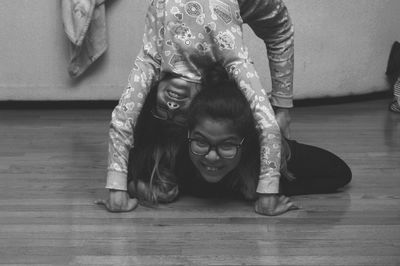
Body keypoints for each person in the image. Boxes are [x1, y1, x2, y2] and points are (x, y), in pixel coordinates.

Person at [104, 0, 295, 213]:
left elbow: (123, 117)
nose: (172, 103)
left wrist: (282, 103)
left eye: (169, 112)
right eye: (172, 113)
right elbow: (123, 118)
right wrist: (268, 195)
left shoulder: (224, 54)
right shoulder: (156, 52)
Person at [117, 66, 352, 215]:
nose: (211, 156)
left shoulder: (260, 157)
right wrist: (139, 187)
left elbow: (339, 172)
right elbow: (129, 163)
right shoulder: (176, 152)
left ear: (246, 142)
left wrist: (269, 189)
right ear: (188, 135)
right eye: (201, 142)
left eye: (227, 146)